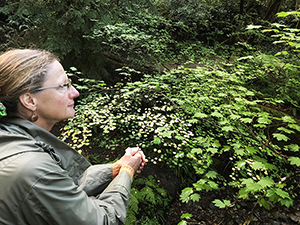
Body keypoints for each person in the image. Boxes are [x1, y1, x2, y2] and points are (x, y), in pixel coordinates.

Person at [0, 49, 146, 225]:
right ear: (30, 101)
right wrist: (126, 172)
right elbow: (103, 221)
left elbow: (66, 185)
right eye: (63, 86)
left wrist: (116, 168)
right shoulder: (34, 168)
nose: (75, 92)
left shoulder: (11, 138)